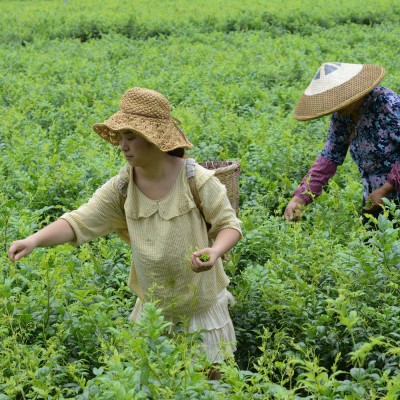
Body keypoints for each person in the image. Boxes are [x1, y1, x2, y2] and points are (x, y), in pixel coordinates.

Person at [8, 87, 242, 379]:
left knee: (207, 383)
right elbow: (81, 220)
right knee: (158, 382)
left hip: (200, 305)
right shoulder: (123, 186)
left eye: (130, 136)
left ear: (154, 138)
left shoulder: (197, 180)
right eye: (120, 137)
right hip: (154, 309)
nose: (122, 145)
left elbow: (229, 226)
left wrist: (215, 251)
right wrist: (34, 240)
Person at [284, 62, 400, 225]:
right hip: (373, 197)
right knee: (371, 239)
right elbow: (330, 156)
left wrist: (386, 189)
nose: (335, 106)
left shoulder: (387, 104)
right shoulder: (342, 115)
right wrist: (301, 196)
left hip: (391, 194)